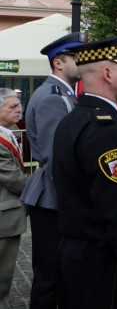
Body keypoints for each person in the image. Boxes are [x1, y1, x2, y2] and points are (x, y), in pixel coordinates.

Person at [52, 35, 117, 309]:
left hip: (80, 256)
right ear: (108, 73)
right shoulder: (105, 129)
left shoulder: (74, 119)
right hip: (104, 264)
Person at [18, 32, 83, 309]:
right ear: (59, 62)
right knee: (50, 277)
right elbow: (57, 158)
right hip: (53, 199)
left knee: (63, 275)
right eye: (77, 58)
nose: (83, 63)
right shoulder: (52, 97)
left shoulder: (65, 94)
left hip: (57, 197)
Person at [0, 89, 27, 309]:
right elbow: (13, 179)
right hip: (3, 216)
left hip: (7, 214)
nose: (19, 110)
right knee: (2, 272)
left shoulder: (8, 133)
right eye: (12, 107)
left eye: (19, 105)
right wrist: (41, 184)